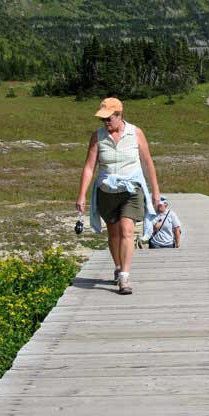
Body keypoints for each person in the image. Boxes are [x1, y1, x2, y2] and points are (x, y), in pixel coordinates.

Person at [76, 97, 160, 295]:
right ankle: (117, 265)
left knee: (127, 230)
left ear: (119, 115)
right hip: (106, 191)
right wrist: (81, 195)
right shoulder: (97, 137)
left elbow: (148, 163)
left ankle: (124, 276)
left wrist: (155, 191)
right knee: (113, 233)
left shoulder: (136, 133)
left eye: (108, 118)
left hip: (131, 189)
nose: (105, 122)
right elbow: (89, 167)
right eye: (103, 119)